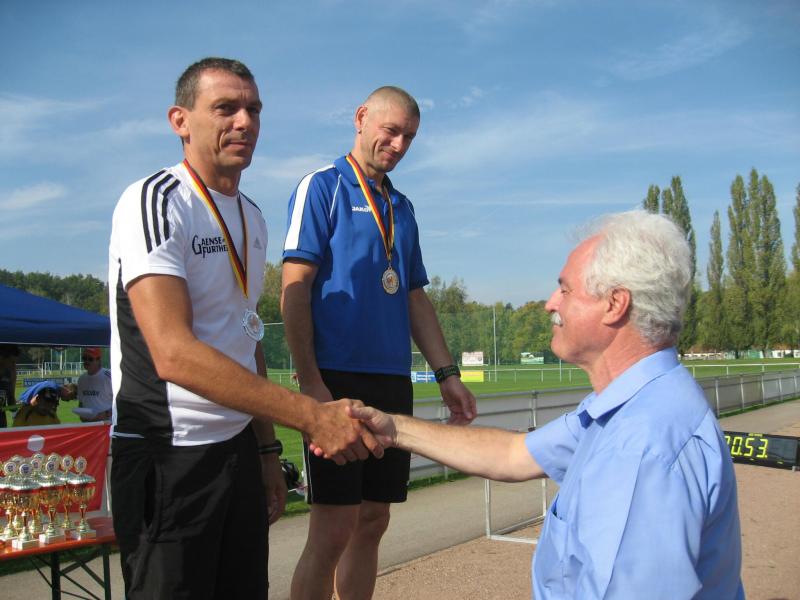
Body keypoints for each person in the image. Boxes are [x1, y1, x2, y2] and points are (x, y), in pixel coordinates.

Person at [344, 211, 745, 599]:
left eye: (565, 289)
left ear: (615, 304)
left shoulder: (641, 444)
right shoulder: (630, 407)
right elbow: (513, 454)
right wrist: (395, 427)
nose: (551, 303)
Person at [107, 57, 380, 600]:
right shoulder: (156, 200)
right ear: (180, 120)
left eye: (253, 109)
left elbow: (246, 335)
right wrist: (310, 415)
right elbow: (173, 353)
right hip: (169, 451)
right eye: (225, 108)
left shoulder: (251, 215)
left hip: (235, 450)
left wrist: (265, 451)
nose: (245, 122)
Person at [282, 86, 478, 600]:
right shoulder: (322, 187)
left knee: (373, 521)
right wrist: (311, 383)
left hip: (391, 380)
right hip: (336, 379)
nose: (398, 144)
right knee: (333, 528)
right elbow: (294, 286)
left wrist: (447, 374)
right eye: (391, 131)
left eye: (409, 137)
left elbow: (414, 297)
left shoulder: (402, 208)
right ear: (361, 118)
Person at [74, 347, 112, 421]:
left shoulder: (109, 377)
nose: (86, 361)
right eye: (84, 358)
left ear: (99, 360)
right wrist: (81, 414)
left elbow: (121, 402)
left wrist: (106, 413)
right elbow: (81, 402)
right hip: (88, 424)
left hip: (106, 424)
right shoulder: (81, 379)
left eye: (90, 359)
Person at [0, 344, 20, 427]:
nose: (14, 366)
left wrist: (21, 404)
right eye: (12, 362)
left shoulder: (10, 374)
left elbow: (11, 403)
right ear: (1, 358)